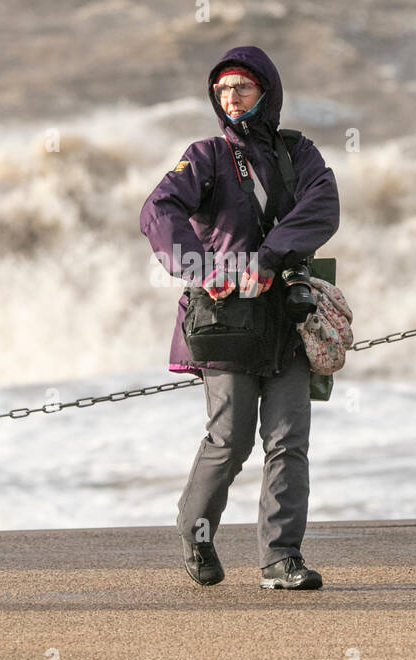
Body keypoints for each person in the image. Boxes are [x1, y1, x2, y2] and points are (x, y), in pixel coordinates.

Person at [139, 46, 340, 590]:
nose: (231, 98)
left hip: (290, 317)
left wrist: (269, 259)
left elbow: (322, 207)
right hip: (225, 318)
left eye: (242, 88)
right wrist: (202, 269)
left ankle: (281, 560)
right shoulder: (204, 156)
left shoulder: (302, 154)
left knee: (288, 440)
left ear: (267, 93)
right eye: (223, 90)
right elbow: (157, 211)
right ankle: (196, 533)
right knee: (230, 439)